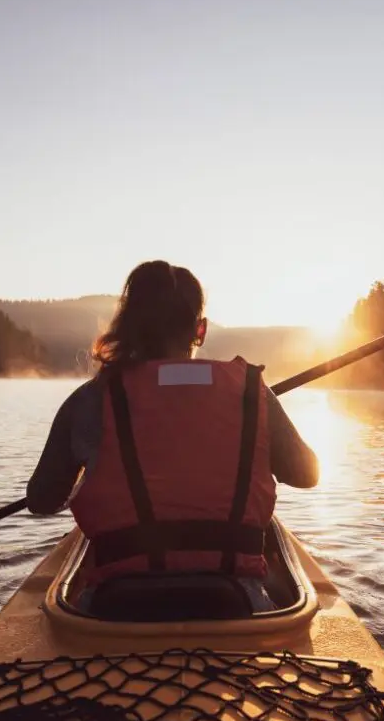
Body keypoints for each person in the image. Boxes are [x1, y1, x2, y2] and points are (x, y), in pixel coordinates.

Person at [27, 260, 319, 613]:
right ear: (201, 329)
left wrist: (89, 474)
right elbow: (307, 475)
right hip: (235, 603)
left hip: (114, 607)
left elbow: (42, 500)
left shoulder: (89, 399)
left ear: (129, 326)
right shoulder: (251, 392)